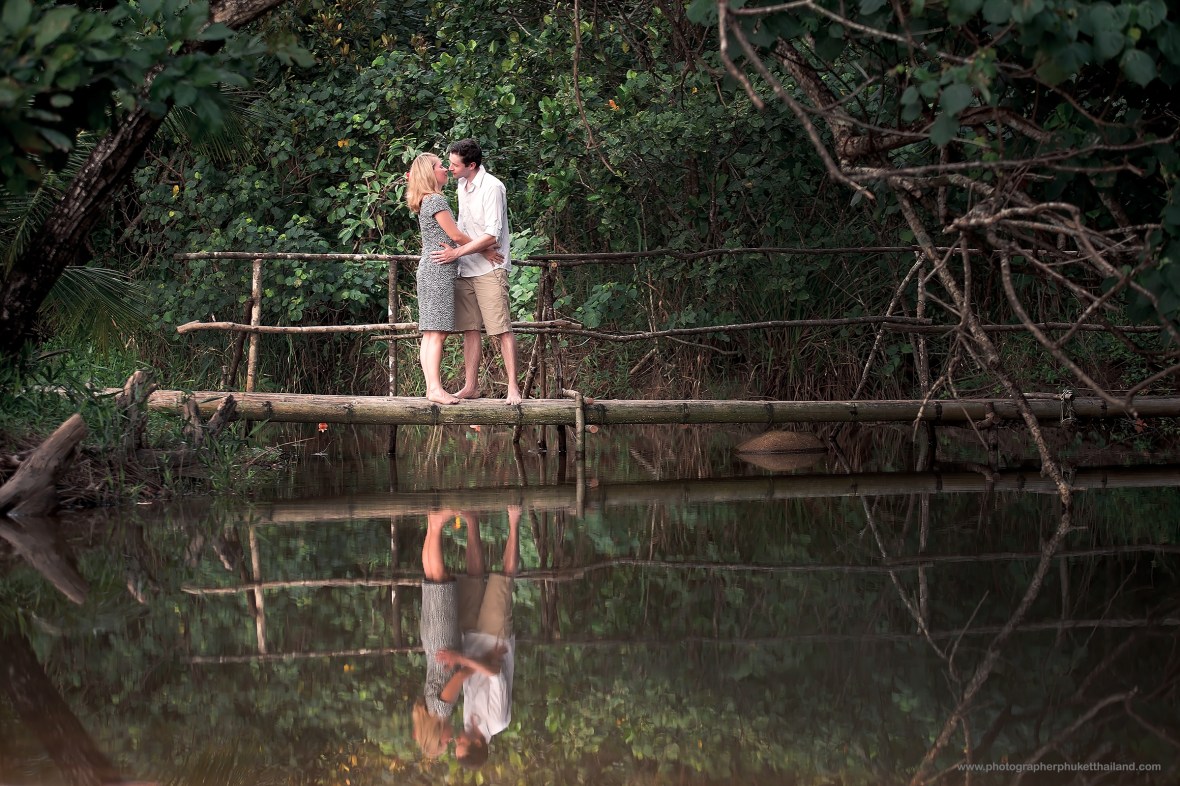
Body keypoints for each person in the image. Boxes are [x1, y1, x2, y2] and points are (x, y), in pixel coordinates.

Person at [430, 139, 523, 405]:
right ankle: (471, 386)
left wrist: (456, 253)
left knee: (501, 328)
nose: (450, 169)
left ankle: (513, 388)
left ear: (472, 165)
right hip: (467, 267)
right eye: (448, 164)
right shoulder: (461, 184)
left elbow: (492, 235)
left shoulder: (493, 187)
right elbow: (464, 229)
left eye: (454, 164)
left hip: (490, 269)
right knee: (470, 329)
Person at [405, 153, 501, 405]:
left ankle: (431, 388)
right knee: (436, 333)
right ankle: (435, 389)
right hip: (438, 271)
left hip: (430, 269)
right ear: (429, 173)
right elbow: (456, 236)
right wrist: (484, 249)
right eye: (440, 166)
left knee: (431, 333)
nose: (445, 169)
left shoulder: (426, 200)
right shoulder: (436, 200)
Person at [451, 504, 521, 768]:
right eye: (461, 744)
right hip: (495, 639)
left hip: (470, 639)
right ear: (477, 744)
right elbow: (495, 674)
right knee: (503, 579)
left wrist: (463, 658)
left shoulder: (468, 721)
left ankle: (471, 518)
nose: (457, 739)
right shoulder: (498, 721)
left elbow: (470, 680)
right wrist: (463, 660)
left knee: (472, 577)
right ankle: (514, 521)